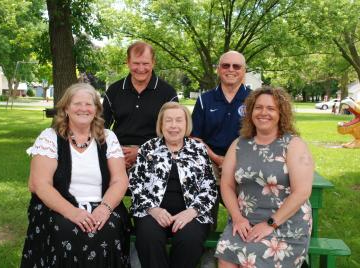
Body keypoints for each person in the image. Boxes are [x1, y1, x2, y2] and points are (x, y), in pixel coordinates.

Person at [21, 83, 130, 267]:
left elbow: (120, 180)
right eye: (77, 103)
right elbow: (39, 184)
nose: (83, 109)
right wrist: (72, 212)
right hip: (60, 206)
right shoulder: (50, 137)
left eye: (89, 104)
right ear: (66, 108)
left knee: (108, 230)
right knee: (65, 230)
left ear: (96, 109)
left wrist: (104, 209)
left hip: (101, 204)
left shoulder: (108, 137)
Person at [215, 87, 314, 267]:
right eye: (258, 107)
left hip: (285, 223)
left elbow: (302, 192)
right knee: (225, 254)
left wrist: (270, 224)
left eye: (271, 108)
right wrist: (237, 218)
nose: (263, 113)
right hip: (244, 220)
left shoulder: (293, 145)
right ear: (251, 112)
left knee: (252, 259)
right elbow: (227, 184)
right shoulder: (238, 144)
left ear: (281, 114)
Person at [129, 102, 217, 268]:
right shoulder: (148, 148)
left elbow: (209, 187)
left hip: (191, 214)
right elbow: (135, 183)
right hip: (152, 212)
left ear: (186, 125)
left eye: (179, 120)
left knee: (189, 239)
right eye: (168, 120)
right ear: (161, 125)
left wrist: (191, 212)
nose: (174, 125)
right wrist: (153, 209)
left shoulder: (198, 149)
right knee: (149, 237)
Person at [192, 51, 251, 268]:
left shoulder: (254, 99)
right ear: (219, 69)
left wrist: (232, 160)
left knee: (247, 200)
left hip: (243, 159)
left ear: (244, 71)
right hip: (209, 158)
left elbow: (258, 136)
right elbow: (194, 136)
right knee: (205, 196)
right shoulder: (205, 99)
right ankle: (209, 249)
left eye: (237, 66)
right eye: (226, 66)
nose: (231, 70)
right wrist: (216, 158)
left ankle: (241, 245)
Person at [103, 41, 178, 169]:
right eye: (136, 63)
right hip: (117, 154)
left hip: (156, 157)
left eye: (146, 63)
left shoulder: (168, 93)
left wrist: (142, 151)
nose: (141, 68)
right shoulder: (114, 90)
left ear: (153, 63)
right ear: (128, 62)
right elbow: (100, 127)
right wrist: (115, 152)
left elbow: (175, 134)